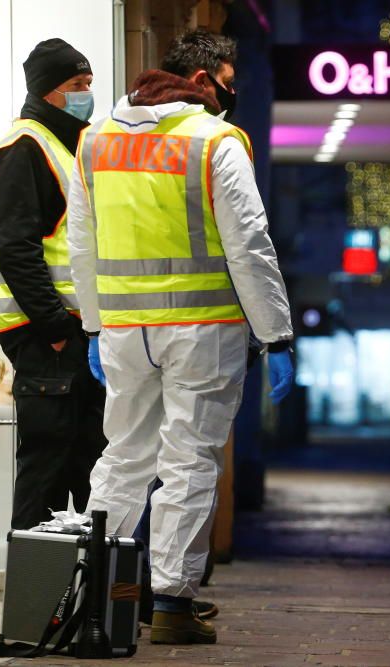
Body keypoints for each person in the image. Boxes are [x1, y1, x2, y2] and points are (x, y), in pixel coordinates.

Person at [67, 30, 294, 646]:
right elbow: (248, 245)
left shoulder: (95, 141)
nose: (230, 95)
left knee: (123, 454)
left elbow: (80, 246)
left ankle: (94, 591)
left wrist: (93, 322)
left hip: (123, 331)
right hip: (202, 328)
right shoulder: (214, 141)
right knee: (189, 460)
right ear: (199, 81)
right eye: (227, 81)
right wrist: (275, 334)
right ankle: (170, 600)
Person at [0, 38, 106, 531]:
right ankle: (35, 604)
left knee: (82, 465)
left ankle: (80, 602)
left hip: (68, 332)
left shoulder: (63, 143)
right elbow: (16, 247)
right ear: (48, 91)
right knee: (46, 471)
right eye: (77, 85)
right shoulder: (24, 147)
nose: (86, 95)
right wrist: (56, 326)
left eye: (88, 85)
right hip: (45, 334)